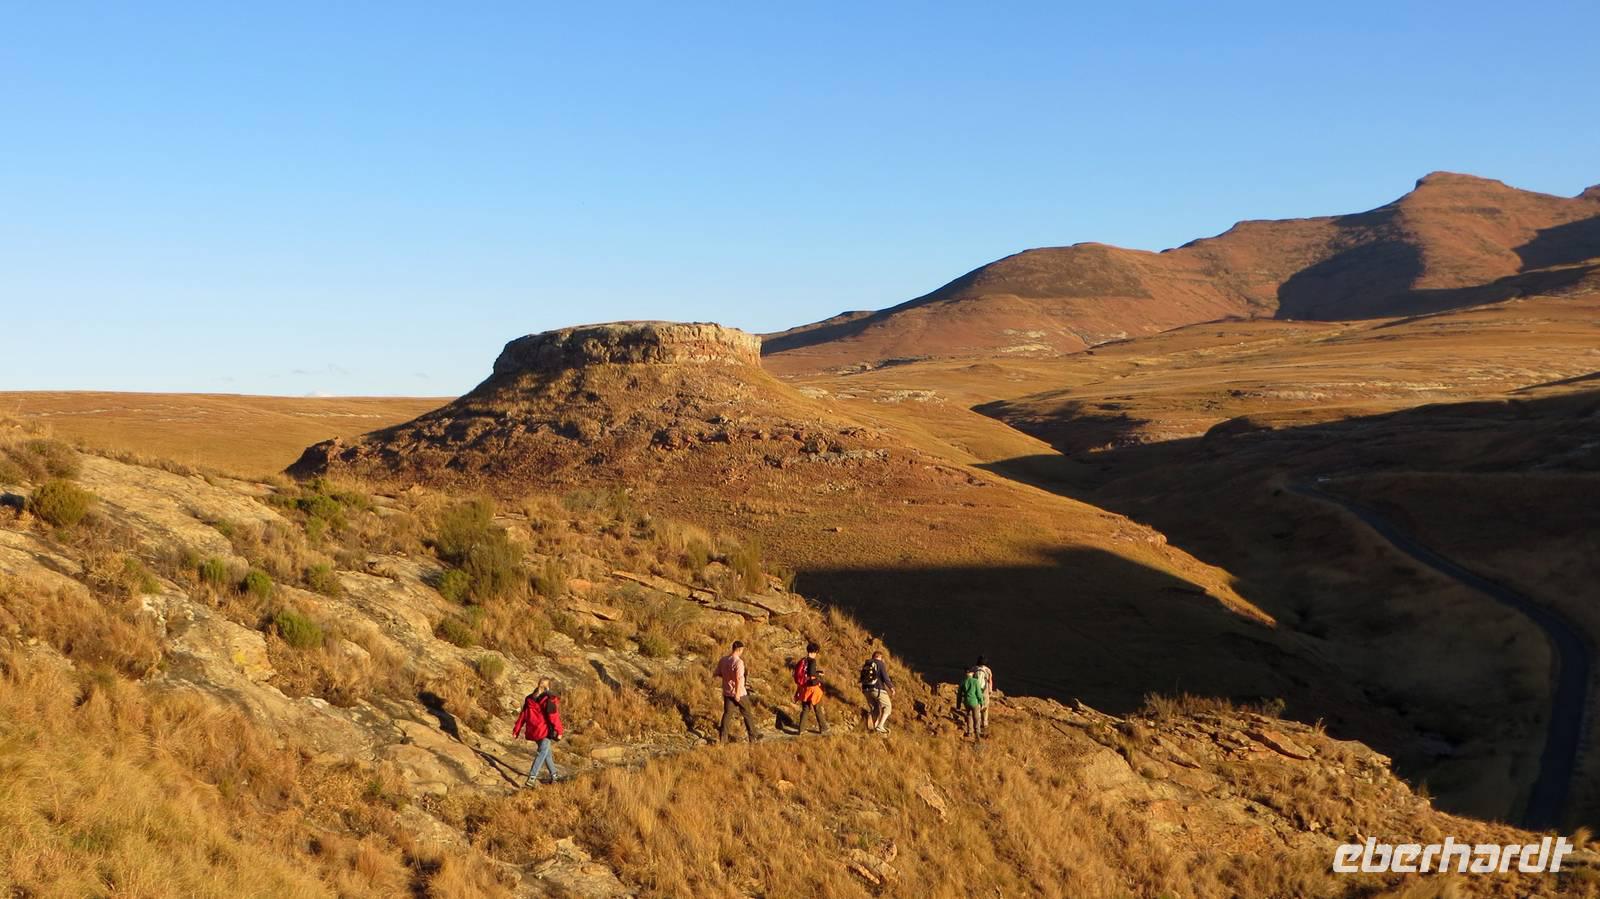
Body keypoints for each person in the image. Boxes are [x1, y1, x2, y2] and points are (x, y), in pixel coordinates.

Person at [512, 677, 565, 786]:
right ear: (548, 687)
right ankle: (532, 777)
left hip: (533, 731)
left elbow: (523, 716)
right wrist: (559, 731)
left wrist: (516, 730)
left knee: (547, 753)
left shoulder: (529, 698)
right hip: (544, 731)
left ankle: (554, 775)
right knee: (542, 753)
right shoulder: (549, 699)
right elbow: (553, 717)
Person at [715, 640, 759, 743]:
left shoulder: (723, 660)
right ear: (739, 649)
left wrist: (727, 677)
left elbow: (717, 673)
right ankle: (753, 738)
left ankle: (723, 739)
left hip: (727, 692)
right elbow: (739, 678)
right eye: (742, 650)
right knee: (747, 714)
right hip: (739, 693)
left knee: (727, 715)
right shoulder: (739, 662)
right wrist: (738, 694)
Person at [793, 642, 828, 734]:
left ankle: (801, 729)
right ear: (814, 652)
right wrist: (819, 674)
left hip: (804, 688)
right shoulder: (812, 661)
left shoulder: (803, 660)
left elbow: (805, 673)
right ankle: (823, 728)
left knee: (805, 709)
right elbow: (812, 674)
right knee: (817, 708)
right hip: (813, 688)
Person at [859, 649, 894, 734]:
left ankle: (871, 727)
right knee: (888, 706)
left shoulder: (867, 664)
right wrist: (892, 688)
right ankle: (880, 726)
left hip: (865, 690)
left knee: (875, 708)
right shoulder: (880, 663)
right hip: (877, 689)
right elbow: (885, 678)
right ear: (880, 657)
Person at [959, 667, 985, 739]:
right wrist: (982, 702)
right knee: (976, 718)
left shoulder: (963, 682)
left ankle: (970, 732)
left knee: (969, 716)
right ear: (971, 673)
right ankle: (977, 733)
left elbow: (959, 695)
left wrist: (958, 705)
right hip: (974, 702)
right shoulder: (975, 681)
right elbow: (979, 694)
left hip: (966, 702)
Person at [973, 655, 994, 737]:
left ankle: (977, 722)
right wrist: (990, 690)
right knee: (985, 707)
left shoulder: (974, 669)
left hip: (975, 690)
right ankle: (984, 723)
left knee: (977, 706)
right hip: (985, 690)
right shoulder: (988, 670)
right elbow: (990, 680)